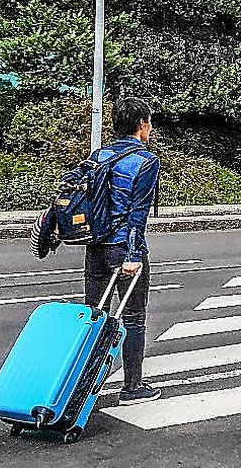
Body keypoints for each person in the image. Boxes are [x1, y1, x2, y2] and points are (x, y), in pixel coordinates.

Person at [78, 97, 162, 404]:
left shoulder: (99, 155)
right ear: (141, 125)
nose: (150, 128)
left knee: (94, 316)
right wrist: (133, 256)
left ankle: (82, 385)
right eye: (149, 122)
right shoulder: (146, 161)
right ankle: (132, 387)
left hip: (94, 247)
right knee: (134, 318)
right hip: (122, 247)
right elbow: (137, 213)